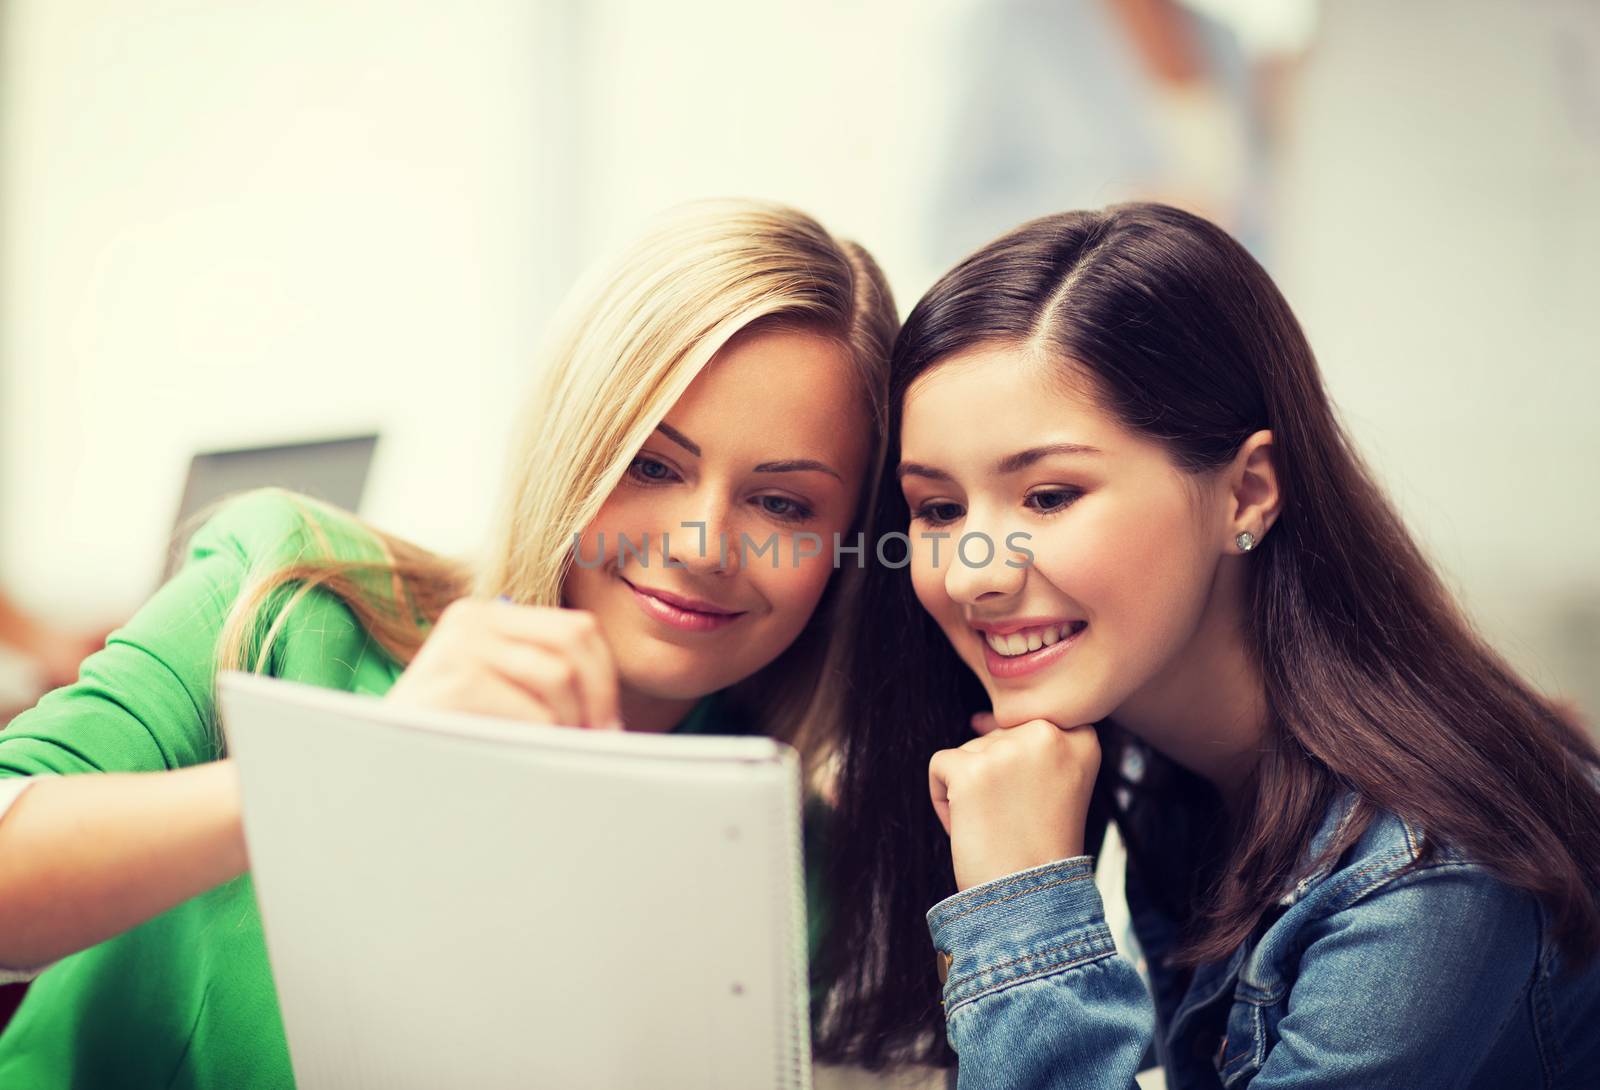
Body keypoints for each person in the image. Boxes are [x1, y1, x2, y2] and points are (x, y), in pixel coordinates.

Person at [0, 198, 896, 1087]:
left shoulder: (785, 861)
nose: (702, 546)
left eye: (783, 503)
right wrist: (348, 766)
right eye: (650, 466)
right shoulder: (286, 593)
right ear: (570, 448)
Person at [815, 203, 1600, 1087]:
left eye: (1049, 496)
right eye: (939, 509)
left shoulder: (1423, 882)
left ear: (1246, 493)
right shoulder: (1178, 783)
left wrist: (1021, 906)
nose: (971, 576)